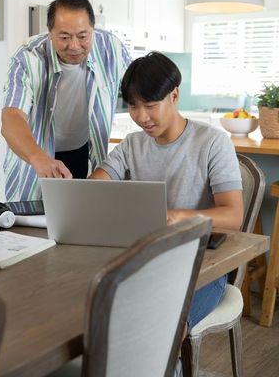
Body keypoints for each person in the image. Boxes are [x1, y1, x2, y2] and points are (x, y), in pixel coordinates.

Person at [90, 51, 243, 332]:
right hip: (144, 260)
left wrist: (177, 216)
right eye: (133, 106)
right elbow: (94, 190)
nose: (141, 117)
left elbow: (233, 216)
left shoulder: (212, 142)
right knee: (99, 315)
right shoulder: (131, 145)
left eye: (150, 105)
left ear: (174, 96)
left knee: (160, 331)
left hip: (202, 268)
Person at [1, 0, 131, 201]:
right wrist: (39, 158)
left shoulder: (111, 48)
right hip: (36, 155)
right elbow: (11, 118)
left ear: (93, 30)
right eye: (64, 37)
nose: (74, 46)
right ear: (50, 32)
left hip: (82, 150)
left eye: (82, 36)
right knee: (29, 226)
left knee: (78, 218)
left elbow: (139, 91)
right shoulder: (27, 58)